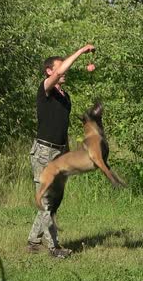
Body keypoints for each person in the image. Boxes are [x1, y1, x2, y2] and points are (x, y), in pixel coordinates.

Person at [26, 44, 96, 258]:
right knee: (48, 199)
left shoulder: (65, 96)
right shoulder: (45, 89)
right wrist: (81, 51)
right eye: (59, 69)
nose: (63, 73)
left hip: (58, 152)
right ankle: (54, 247)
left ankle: (33, 240)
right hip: (43, 152)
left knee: (52, 198)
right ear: (49, 71)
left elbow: (61, 126)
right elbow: (59, 72)